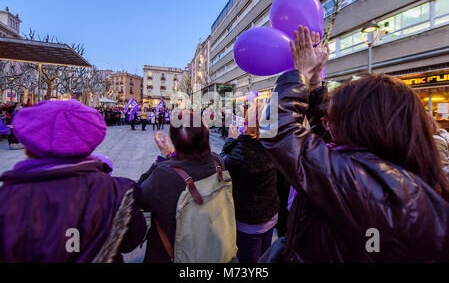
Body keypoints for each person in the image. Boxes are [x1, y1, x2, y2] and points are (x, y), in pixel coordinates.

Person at [260, 25, 449, 262]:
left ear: (362, 125)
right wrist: (316, 84)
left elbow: (274, 131)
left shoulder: (363, 184)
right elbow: (322, 138)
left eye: (336, 117)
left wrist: (298, 75)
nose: (327, 122)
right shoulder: (385, 174)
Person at [0, 100, 146, 262]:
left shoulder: (7, 199)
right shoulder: (119, 192)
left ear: (28, 147)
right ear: (89, 144)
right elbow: (132, 241)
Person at [137, 110, 229, 263]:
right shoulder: (217, 162)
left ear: (175, 140)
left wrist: (162, 157)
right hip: (209, 248)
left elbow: (138, 195)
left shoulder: (164, 174)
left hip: (171, 254)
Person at [220, 105, 280, 263]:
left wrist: (230, 140)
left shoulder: (243, 148)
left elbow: (223, 166)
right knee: (265, 256)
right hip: (271, 213)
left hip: (249, 220)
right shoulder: (275, 144)